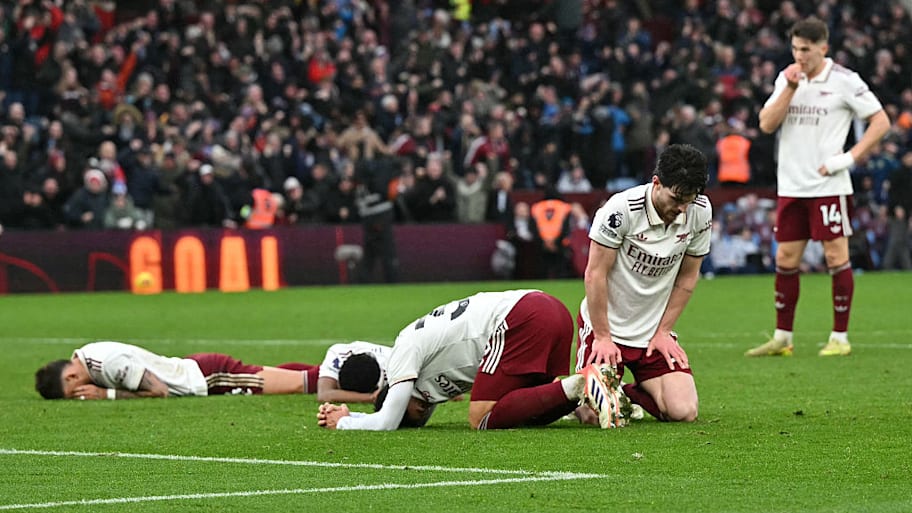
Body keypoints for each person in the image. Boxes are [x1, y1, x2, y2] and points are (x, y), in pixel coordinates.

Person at [746, 17, 890, 358]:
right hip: (791, 186)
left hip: (828, 185)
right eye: (795, 48)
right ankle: (783, 337)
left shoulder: (844, 80)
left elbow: (880, 121)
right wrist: (792, 88)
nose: (800, 56)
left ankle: (840, 337)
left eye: (806, 50)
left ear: (823, 48)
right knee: (785, 258)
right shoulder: (787, 78)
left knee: (835, 256)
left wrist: (849, 159)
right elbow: (766, 124)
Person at [317, 289, 631, 431]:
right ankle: (591, 398)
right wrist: (575, 413)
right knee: (522, 407)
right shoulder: (428, 377)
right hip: (547, 308)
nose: (424, 410)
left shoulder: (401, 355)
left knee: (480, 417)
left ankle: (581, 383)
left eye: (415, 411)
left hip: (519, 318)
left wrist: (343, 421)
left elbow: (386, 422)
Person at [578, 143, 711, 423]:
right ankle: (576, 389)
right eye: (676, 198)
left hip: (652, 332)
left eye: (689, 198)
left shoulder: (699, 210)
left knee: (683, 411)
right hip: (608, 328)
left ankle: (622, 393)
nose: (683, 208)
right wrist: (602, 336)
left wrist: (664, 331)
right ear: (656, 183)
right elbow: (595, 274)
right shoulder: (620, 210)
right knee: (591, 415)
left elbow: (687, 278)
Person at [35, 340, 387, 402]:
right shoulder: (89, 356)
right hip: (195, 368)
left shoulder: (105, 364)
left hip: (205, 377)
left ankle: (362, 376)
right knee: (276, 376)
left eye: (75, 392)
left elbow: (156, 391)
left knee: (297, 385)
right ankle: (348, 371)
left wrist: (106, 394)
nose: (81, 394)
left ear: (70, 376)